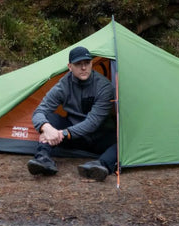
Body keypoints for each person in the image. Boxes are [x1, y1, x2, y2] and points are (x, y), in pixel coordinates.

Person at [29, 46, 117, 181]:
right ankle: (43, 159)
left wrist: (62, 134)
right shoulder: (63, 85)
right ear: (70, 66)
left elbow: (92, 123)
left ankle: (100, 165)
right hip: (74, 139)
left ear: (91, 63)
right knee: (49, 118)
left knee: (123, 139)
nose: (83, 68)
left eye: (87, 63)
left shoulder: (104, 87)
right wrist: (46, 128)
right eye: (78, 64)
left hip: (99, 136)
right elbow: (39, 111)